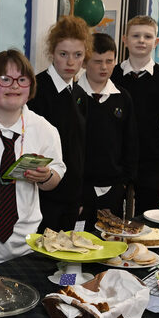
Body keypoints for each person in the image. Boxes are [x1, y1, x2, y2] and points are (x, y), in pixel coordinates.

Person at [0, 49, 66, 264]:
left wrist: (45, 177)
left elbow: (57, 175)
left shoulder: (44, 128)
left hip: (28, 243)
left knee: (37, 291)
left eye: (22, 79)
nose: (14, 86)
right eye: (5, 79)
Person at [112, 15, 159, 212]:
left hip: (152, 161)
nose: (141, 40)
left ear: (156, 42)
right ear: (125, 40)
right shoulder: (113, 75)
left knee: (148, 216)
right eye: (135, 35)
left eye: (148, 36)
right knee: (113, 216)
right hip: (117, 159)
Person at [30, 16, 91, 231]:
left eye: (78, 55)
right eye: (63, 54)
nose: (71, 62)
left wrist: (80, 196)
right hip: (42, 196)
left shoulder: (80, 95)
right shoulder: (35, 91)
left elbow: (80, 151)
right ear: (52, 53)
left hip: (72, 198)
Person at [77, 33, 138, 218]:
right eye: (97, 61)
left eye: (109, 61)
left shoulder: (123, 97)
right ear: (85, 61)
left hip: (114, 186)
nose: (104, 67)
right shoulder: (74, 96)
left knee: (112, 240)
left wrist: (126, 180)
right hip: (81, 187)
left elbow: (131, 141)